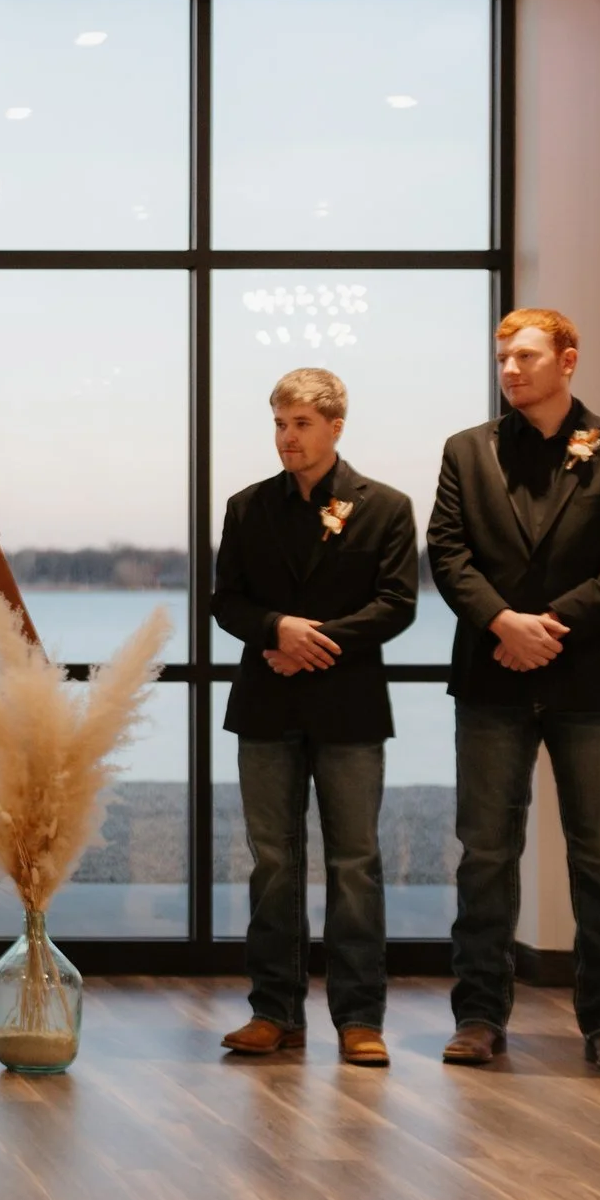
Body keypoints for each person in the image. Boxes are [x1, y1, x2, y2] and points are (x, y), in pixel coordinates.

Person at [427, 308, 600, 1075]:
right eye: (502, 357)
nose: (510, 369)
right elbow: (449, 551)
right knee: (486, 853)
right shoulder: (469, 450)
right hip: (492, 672)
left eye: (525, 355)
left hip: (588, 675)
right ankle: (478, 1016)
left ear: (568, 360)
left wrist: (549, 625)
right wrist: (502, 621)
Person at [211, 369, 418, 1068]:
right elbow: (227, 601)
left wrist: (312, 642)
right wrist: (276, 630)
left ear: (335, 426)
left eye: (300, 423)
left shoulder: (386, 506)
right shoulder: (246, 507)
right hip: (266, 701)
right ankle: (275, 1012)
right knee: (273, 863)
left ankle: (360, 1017)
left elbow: (397, 603)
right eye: (279, 423)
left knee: (355, 863)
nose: (286, 437)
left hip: (348, 705)